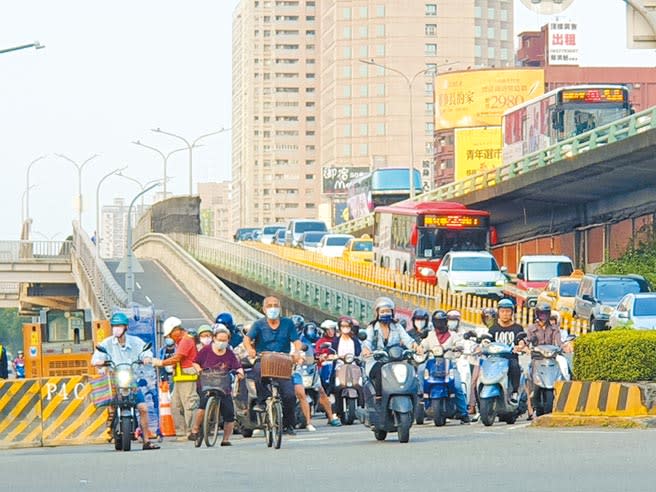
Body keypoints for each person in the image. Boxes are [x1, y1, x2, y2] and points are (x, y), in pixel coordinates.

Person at [91, 312, 160, 450]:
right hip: (115, 381)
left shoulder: (135, 342)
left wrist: (146, 358)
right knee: (110, 404)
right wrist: (100, 361)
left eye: (119, 326)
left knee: (143, 408)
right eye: (114, 326)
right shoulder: (107, 343)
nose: (116, 328)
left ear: (126, 327)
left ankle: (146, 440)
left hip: (132, 382)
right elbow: (95, 359)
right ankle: (111, 423)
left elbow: (146, 352)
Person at [243, 296, 302, 436]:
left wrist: (297, 352)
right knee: (257, 373)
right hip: (263, 358)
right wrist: (250, 350)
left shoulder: (288, 323)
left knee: (289, 395)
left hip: (283, 360)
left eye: (275, 305)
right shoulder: (258, 324)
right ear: (264, 309)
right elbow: (247, 339)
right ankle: (262, 401)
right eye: (269, 305)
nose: (273, 308)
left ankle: (289, 424)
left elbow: (296, 340)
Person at [189, 325, 244, 446]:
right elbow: (195, 362)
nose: (222, 343)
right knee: (203, 404)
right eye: (220, 339)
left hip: (223, 385)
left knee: (229, 412)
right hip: (206, 383)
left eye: (225, 340)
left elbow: (237, 366)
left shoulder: (229, 353)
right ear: (214, 338)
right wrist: (200, 371)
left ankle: (225, 439)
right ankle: (195, 429)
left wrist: (240, 372)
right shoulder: (206, 350)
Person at [362, 297, 421, 398]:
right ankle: (379, 398)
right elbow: (366, 341)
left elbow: (407, 339)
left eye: (388, 311)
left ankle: (415, 395)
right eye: (383, 311)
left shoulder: (397, 326)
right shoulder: (372, 328)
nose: (385, 314)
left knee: (410, 369)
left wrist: (415, 346)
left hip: (395, 360)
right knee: (380, 370)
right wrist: (366, 349)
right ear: (377, 313)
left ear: (392, 312)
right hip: (377, 361)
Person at [151, 317, 199, 439]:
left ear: (177, 330)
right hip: (179, 378)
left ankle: (191, 432)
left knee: (189, 405)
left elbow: (178, 358)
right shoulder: (180, 342)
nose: (170, 338)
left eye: (171, 334)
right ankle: (181, 432)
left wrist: (161, 363)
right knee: (176, 406)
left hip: (188, 378)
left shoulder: (186, 340)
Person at [420, 310, 471, 423]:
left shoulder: (453, 335)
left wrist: (458, 348)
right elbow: (423, 347)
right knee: (421, 376)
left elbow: (459, 345)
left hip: (450, 365)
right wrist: (420, 349)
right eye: (437, 321)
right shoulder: (430, 335)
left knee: (457, 386)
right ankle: (421, 404)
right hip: (433, 366)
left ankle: (463, 413)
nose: (439, 324)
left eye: (442, 321)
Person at [488, 299, 526, 404]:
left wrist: (520, 346)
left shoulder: (517, 328)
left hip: (510, 358)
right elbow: (487, 341)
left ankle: (514, 391)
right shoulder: (493, 328)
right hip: (495, 359)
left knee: (514, 366)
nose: (505, 314)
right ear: (498, 313)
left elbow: (521, 340)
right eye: (502, 311)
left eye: (508, 311)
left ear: (512, 313)